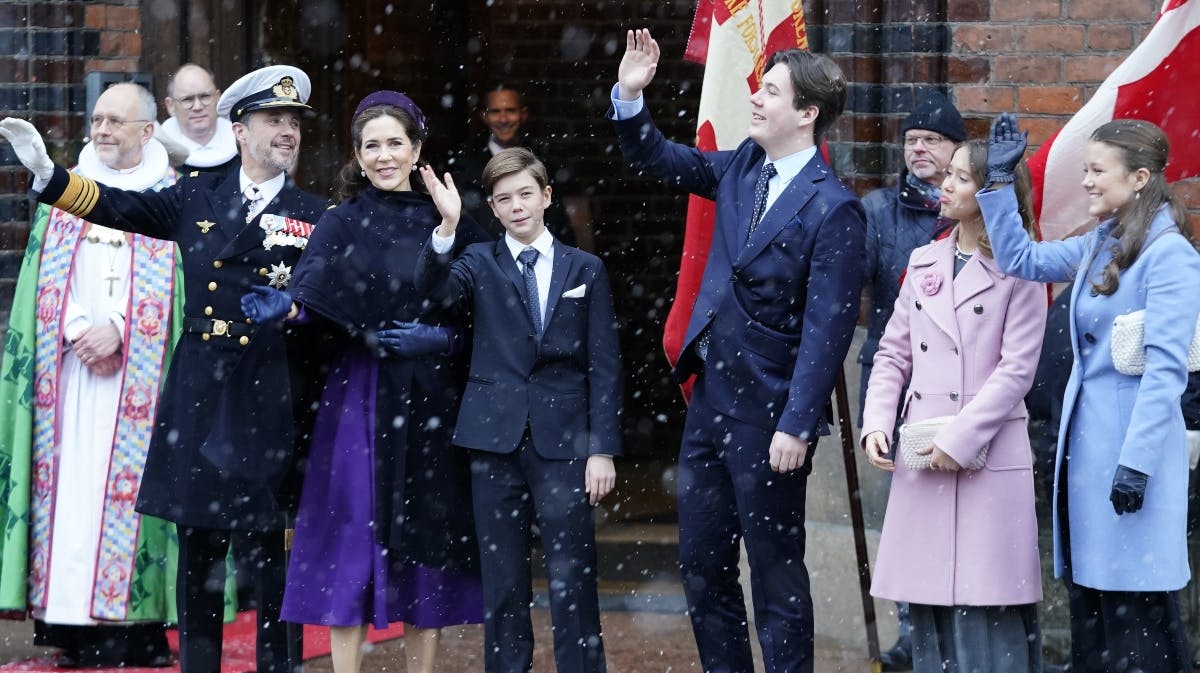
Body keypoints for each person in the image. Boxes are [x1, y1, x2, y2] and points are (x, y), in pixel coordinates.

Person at [0, 64, 329, 673]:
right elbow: (120, 207)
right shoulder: (199, 192)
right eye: (273, 120)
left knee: (269, 556)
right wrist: (50, 178)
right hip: (201, 390)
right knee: (198, 553)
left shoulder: (319, 212)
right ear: (240, 128)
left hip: (271, 392)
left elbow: (343, 304)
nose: (288, 132)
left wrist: (301, 311)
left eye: (294, 123)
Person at [608, 29, 866, 673]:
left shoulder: (836, 210)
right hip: (710, 405)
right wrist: (631, 96)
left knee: (776, 577)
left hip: (771, 415)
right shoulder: (741, 166)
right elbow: (659, 159)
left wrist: (797, 423)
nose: (756, 98)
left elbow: (827, 331)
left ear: (807, 114)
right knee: (701, 566)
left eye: (771, 91)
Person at [240, 90, 488, 673]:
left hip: (431, 398)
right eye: (370, 145)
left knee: (426, 538)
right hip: (358, 396)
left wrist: (446, 340)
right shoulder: (340, 221)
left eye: (394, 143)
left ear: (417, 148)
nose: (383, 156)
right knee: (349, 537)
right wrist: (289, 311)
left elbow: (491, 314)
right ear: (357, 153)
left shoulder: (452, 220)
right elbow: (313, 296)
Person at [979, 113, 1200, 673]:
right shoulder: (1104, 241)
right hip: (1085, 458)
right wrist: (1000, 186)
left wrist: (1137, 465)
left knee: (1137, 613)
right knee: (1096, 609)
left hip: (1131, 461)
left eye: (1098, 170)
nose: (1086, 182)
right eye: (1085, 169)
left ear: (1141, 177)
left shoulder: (1170, 256)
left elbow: (1166, 372)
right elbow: (1020, 260)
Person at [413, 147, 621, 673]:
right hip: (493, 440)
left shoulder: (586, 268)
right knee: (502, 580)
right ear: (493, 207)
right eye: (504, 199)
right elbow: (433, 296)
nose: (517, 207)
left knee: (573, 576)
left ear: (546, 196)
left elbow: (605, 366)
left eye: (526, 194)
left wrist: (603, 450)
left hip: (565, 441)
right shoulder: (477, 261)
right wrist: (447, 226)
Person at [0, 82, 179, 668]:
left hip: (142, 380)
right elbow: (43, 277)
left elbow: (179, 286)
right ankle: (68, 619)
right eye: (97, 119)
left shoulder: (171, 196)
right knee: (71, 492)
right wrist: (77, 325)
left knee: (129, 499)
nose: (101, 130)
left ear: (148, 131)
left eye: (116, 121)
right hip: (72, 377)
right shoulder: (69, 190)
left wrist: (124, 329)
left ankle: (132, 625)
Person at [861, 138, 1046, 673]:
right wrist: (878, 420)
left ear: (993, 192)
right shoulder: (924, 260)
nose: (945, 184)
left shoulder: (1023, 268)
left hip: (986, 456)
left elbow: (1016, 369)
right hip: (923, 453)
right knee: (928, 609)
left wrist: (960, 439)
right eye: (951, 175)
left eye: (962, 178)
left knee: (986, 609)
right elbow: (893, 351)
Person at [858, 89, 964, 671]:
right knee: (902, 514)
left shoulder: (974, 210)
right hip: (892, 381)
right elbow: (850, 294)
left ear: (956, 149)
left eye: (932, 140)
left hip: (957, 388)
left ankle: (953, 629)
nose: (919, 150)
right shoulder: (877, 210)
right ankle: (911, 635)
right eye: (911, 141)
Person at [447, 84, 579, 246]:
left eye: (510, 110)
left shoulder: (541, 157)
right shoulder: (465, 161)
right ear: (484, 116)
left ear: (523, 114)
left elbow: (556, 218)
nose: (503, 119)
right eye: (495, 112)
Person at [157, 64, 238, 175]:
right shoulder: (157, 158)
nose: (198, 107)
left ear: (218, 98)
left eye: (205, 96)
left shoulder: (244, 150)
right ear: (170, 106)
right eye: (187, 99)